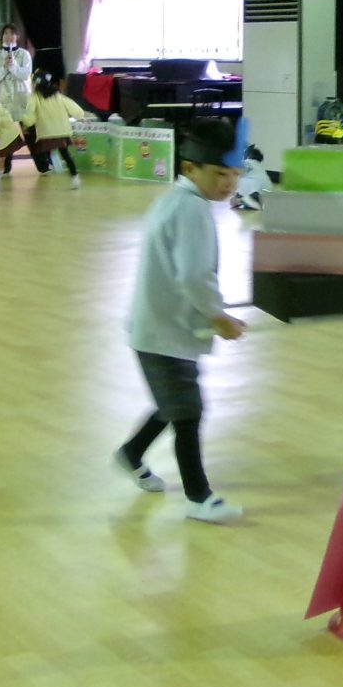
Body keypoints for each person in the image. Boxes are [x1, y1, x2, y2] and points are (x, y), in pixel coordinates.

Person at [114, 118, 247, 524]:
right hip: (164, 331)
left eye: (236, 174)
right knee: (188, 411)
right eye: (220, 174)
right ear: (190, 167)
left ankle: (132, 453)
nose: (230, 183)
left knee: (171, 402)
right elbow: (192, 276)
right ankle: (198, 497)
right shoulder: (192, 209)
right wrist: (218, 316)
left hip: (158, 327)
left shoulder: (174, 200)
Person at [25, 69, 88, 188]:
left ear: (36, 83)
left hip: (47, 132)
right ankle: (75, 177)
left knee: (43, 149)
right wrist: (80, 116)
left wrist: (26, 123)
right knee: (65, 154)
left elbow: (29, 115)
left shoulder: (34, 98)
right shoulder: (57, 95)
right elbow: (72, 106)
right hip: (62, 130)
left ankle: (52, 165)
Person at [0, 25, 34, 169]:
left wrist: (13, 66)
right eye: (6, 33)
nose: (8, 36)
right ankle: (5, 167)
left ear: (17, 36)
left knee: (29, 133)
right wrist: (4, 67)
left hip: (22, 98)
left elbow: (25, 74)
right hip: (4, 99)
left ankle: (43, 165)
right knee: (6, 134)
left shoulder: (24, 54)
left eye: (12, 33)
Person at [233, 144, 272, 212]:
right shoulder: (260, 166)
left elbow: (236, 169)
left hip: (251, 189)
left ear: (249, 156)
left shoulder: (247, 162)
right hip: (266, 189)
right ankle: (251, 199)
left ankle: (245, 199)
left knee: (238, 188)